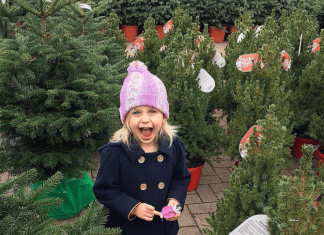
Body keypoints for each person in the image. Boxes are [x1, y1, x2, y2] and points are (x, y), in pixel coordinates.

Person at [93, 61, 191, 235]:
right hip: (127, 227)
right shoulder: (115, 152)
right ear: (126, 118)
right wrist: (133, 207)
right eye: (136, 112)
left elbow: (180, 178)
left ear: (163, 115)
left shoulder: (173, 146)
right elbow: (105, 189)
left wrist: (174, 203)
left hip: (162, 226)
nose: (145, 119)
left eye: (152, 111)